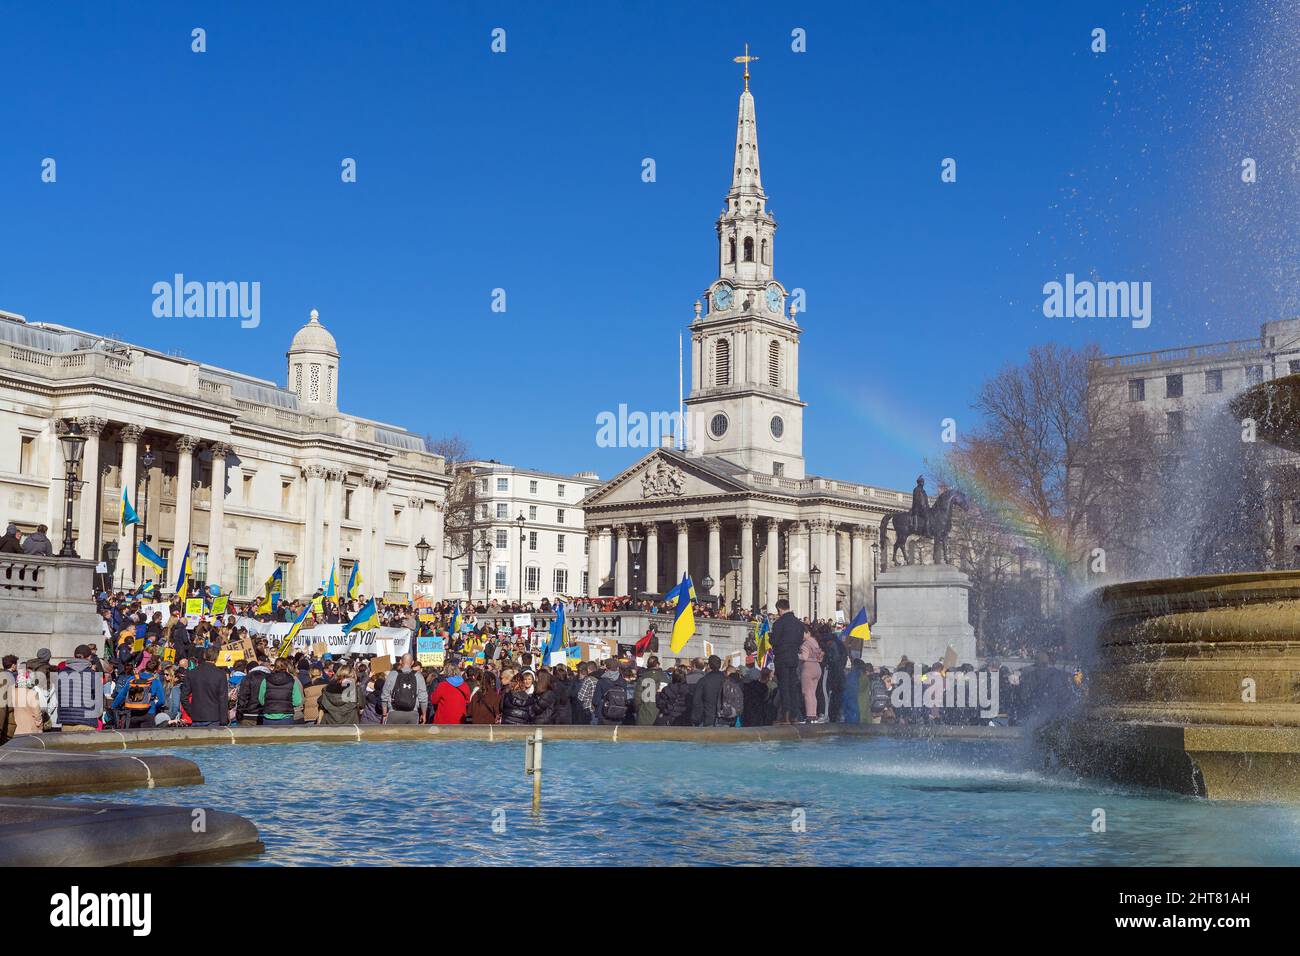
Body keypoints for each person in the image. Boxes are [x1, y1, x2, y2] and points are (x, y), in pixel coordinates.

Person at [769, 599, 804, 724]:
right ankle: (794, 716)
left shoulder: (779, 623)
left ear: (779, 609)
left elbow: (774, 641)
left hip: (782, 658)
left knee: (784, 687)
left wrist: (770, 637)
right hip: (793, 657)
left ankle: (786, 716)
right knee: (793, 687)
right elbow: (800, 640)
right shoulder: (798, 623)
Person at [183, 647, 231, 727]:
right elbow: (223, 699)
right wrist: (223, 722)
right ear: (217, 657)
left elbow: (183, 696)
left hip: (198, 717)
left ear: (204, 656)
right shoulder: (220, 674)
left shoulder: (192, 673)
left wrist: (191, 712)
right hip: (213, 718)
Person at [111, 661, 166, 728]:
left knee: (133, 735)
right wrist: (154, 706)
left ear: (145, 667)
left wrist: (113, 706)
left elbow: (122, 694)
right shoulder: (156, 681)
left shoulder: (133, 679)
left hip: (133, 712)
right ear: (155, 671)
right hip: (149, 712)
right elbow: (162, 701)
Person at [382, 654, 428, 724]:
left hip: (394, 712)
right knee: (411, 734)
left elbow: (384, 695)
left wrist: (384, 714)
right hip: (412, 713)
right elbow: (423, 698)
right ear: (412, 663)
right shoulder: (418, 676)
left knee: (392, 734)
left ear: (400, 661)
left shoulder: (392, 674)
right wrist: (424, 714)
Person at [257, 658, 302, 725]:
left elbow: (262, 701)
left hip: (269, 717)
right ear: (286, 667)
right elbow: (297, 701)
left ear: (274, 667)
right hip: (286, 718)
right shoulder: (292, 680)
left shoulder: (266, 680)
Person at [689, 655, 726, 727]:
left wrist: (696, 719)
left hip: (707, 718)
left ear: (709, 665)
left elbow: (696, 701)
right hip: (725, 718)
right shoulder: (727, 680)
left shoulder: (703, 681)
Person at [799, 628, 824, 722]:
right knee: (813, 693)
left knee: (807, 692)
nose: (801, 636)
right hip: (817, 667)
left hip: (808, 668)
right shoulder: (815, 642)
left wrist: (796, 655)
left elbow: (804, 657)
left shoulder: (805, 644)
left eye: (802, 634)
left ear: (808, 633)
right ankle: (814, 714)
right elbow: (820, 657)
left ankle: (809, 715)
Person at [636, 656, 668, 726]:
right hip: (660, 714)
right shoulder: (665, 678)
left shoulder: (642, 677)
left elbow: (637, 698)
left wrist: (639, 709)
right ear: (657, 665)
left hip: (644, 712)